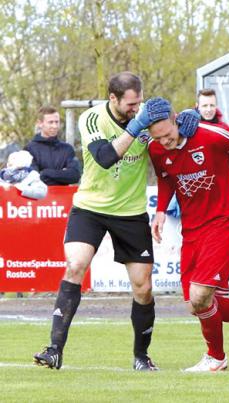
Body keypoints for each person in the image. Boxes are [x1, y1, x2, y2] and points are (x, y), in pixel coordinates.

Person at [33, 72, 161, 371]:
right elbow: (104, 157)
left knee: (143, 288)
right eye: (131, 104)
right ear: (113, 98)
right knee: (75, 265)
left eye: (139, 103)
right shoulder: (92, 118)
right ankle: (54, 349)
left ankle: (141, 357)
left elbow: (172, 137)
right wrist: (136, 126)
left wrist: (187, 120)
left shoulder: (144, 119)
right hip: (90, 207)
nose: (135, 109)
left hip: (130, 212)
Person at [147, 99, 229, 372]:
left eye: (168, 134)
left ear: (176, 119)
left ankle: (216, 358)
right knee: (196, 304)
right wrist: (159, 211)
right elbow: (166, 178)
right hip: (191, 230)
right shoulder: (155, 148)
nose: (165, 142)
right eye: (158, 137)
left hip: (225, 222)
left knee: (201, 295)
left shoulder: (212, 134)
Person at [25, 106, 81, 186]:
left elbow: (75, 176)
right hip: (39, 197)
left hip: (63, 197)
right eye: (50, 122)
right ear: (40, 123)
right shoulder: (29, 149)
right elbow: (34, 179)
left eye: (57, 122)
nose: (55, 126)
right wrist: (62, 174)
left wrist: (45, 173)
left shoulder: (67, 149)